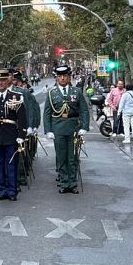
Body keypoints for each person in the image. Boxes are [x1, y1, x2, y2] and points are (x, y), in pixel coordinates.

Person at [43, 66, 90, 194]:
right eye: (60, 76)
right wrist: (48, 130)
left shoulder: (76, 92)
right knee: (61, 156)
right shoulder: (52, 93)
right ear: (57, 78)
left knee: (72, 157)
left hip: (73, 127)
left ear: (69, 77)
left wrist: (84, 127)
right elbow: (47, 113)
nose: (62, 78)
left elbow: (84, 110)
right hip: (58, 128)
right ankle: (64, 182)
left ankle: (72, 183)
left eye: (65, 76)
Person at [0, 69, 27, 201]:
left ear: (8, 81)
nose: (0, 83)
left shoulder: (16, 96)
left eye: (3, 80)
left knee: (11, 164)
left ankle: (12, 190)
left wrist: (21, 134)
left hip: (11, 135)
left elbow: (22, 118)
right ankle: (2, 189)